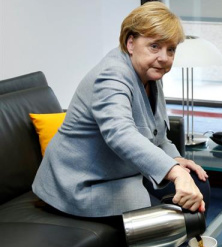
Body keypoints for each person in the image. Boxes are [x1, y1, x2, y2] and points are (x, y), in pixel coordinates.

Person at [32, 2, 209, 220]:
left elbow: (155, 134)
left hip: (118, 172)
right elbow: (120, 134)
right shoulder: (112, 76)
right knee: (161, 215)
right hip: (81, 184)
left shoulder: (150, 73)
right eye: (155, 46)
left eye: (170, 49)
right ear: (130, 43)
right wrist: (175, 171)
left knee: (200, 184)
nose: (164, 57)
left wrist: (175, 159)